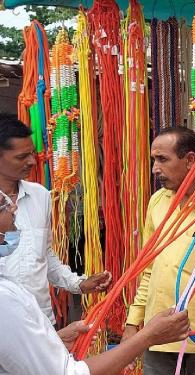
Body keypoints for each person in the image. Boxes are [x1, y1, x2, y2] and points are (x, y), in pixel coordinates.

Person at [0, 196, 191, 375]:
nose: (14, 207)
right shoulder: (5, 299)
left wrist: (55, 340)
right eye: (4, 204)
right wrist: (147, 337)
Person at [122, 127, 195, 375]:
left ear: (189, 160)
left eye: (162, 159)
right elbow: (148, 269)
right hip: (157, 335)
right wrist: (133, 322)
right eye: (154, 160)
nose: (155, 169)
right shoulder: (157, 202)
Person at [0, 114, 112, 325]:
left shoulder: (40, 195)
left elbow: (44, 256)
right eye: (21, 157)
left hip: (40, 321)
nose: (32, 161)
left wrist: (79, 284)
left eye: (32, 154)